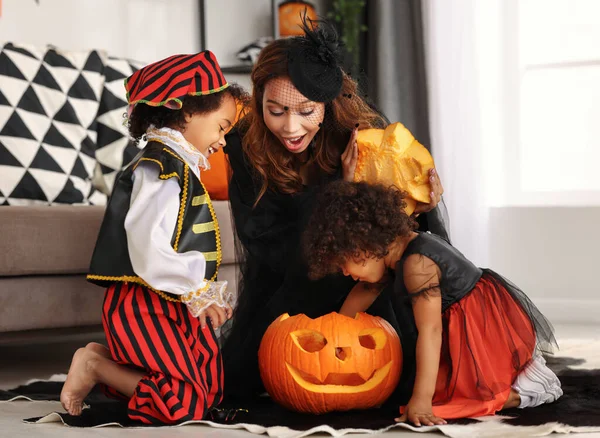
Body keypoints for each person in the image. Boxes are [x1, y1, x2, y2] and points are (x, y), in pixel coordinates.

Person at [220, 15, 445, 401]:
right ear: (260, 103)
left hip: (366, 279)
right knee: (239, 379)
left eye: (305, 112)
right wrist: (337, 193)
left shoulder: (365, 133)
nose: (290, 128)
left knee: (405, 374)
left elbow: (398, 235)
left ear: (328, 104)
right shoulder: (244, 145)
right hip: (291, 278)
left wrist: (419, 202)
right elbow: (262, 238)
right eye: (276, 111)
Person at [59, 51, 249, 424]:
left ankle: (104, 360)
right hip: (144, 300)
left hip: (169, 297)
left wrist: (201, 294)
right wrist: (195, 290)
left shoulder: (179, 165)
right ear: (188, 112)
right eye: (222, 126)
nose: (224, 141)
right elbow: (146, 244)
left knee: (210, 388)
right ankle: (95, 365)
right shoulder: (159, 167)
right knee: (183, 405)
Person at [302, 180, 563, 425]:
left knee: (453, 400)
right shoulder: (390, 253)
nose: (345, 273)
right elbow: (366, 289)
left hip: (480, 330)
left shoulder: (418, 265)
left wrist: (422, 401)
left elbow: (431, 331)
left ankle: (530, 389)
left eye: (343, 263)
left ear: (362, 246)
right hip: (456, 329)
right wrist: (335, 331)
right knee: (431, 389)